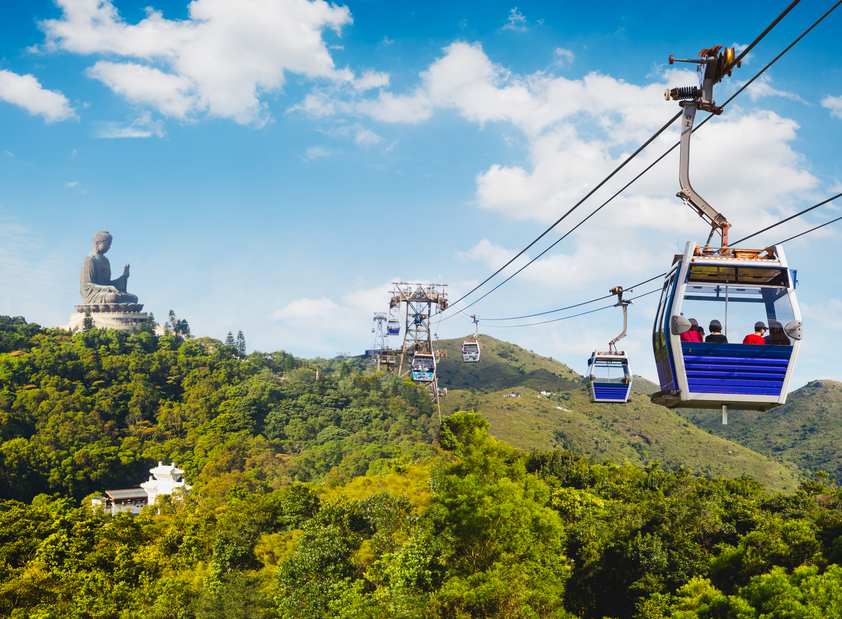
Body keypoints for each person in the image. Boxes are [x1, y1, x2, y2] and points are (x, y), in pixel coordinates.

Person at [80, 231, 139, 305]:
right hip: (93, 295)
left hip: (105, 292)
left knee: (134, 298)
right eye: (107, 244)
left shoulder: (106, 260)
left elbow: (108, 283)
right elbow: (87, 285)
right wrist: (108, 288)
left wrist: (124, 277)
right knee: (113, 297)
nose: (109, 247)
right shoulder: (90, 259)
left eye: (110, 244)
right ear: (97, 242)